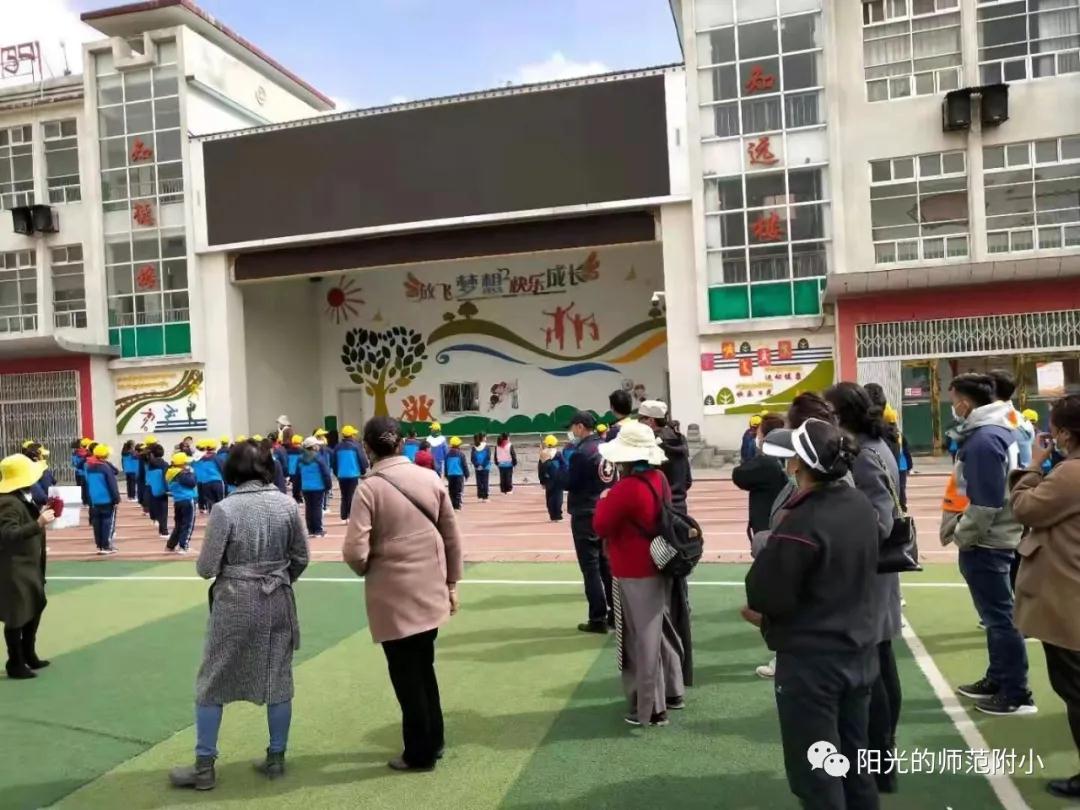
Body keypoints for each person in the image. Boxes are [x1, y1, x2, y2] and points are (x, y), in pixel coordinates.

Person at [744, 418, 881, 810]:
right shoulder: (859, 504)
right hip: (860, 651)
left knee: (818, 773)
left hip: (813, 663)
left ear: (797, 465)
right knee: (855, 763)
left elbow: (764, 593)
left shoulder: (801, 522)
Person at [169, 441, 310, 791]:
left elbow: (206, 568)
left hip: (235, 599)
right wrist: (279, 577)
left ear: (231, 469)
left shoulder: (225, 509)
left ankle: (204, 767)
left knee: (213, 679)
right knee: (278, 678)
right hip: (277, 597)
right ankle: (276, 758)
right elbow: (301, 557)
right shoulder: (287, 505)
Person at [342, 416, 463, 772]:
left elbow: (354, 550)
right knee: (424, 666)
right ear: (401, 443)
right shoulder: (429, 477)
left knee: (405, 674)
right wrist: (451, 583)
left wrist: (368, 566)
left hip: (392, 592)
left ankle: (419, 752)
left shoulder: (369, 488)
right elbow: (452, 536)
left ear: (367, 447)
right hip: (430, 585)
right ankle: (434, 740)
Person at [824, 381, 904, 794]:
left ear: (841, 415)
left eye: (827, 413)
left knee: (876, 676)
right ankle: (882, 761)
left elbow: (880, 522)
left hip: (871, 574)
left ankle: (880, 763)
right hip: (874, 575)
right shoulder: (872, 446)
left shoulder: (865, 455)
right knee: (881, 668)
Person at [941, 373, 1034, 716]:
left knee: (1000, 618)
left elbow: (985, 503)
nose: (953, 408)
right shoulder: (1007, 426)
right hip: (1001, 534)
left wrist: (963, 536)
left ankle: (1016, 693)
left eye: (954, 402)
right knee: (997, 616)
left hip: (989, 540)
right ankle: (999, 678)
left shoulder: (984, 440)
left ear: (966, 403)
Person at [1011, 395, 1080, 798]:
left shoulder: (1070, 474)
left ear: (1065, 434)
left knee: (1075, 690)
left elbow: (1025, 508)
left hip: (1069, 599)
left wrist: (1034, 464)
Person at [594, 420, 683, 727]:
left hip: (633, 569)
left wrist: (604, 501)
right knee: (661, 630)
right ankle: (672, 691)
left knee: (641, 639)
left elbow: (601, 526)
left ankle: (650, 707)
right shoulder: (659, 478)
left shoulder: (625, 489)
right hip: (659, 563)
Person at [752, 392, 837, 681]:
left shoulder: (829, 492)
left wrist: (765, 542)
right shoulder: (802, 482)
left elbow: (801, 538)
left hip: (818, 614)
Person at [637, 399, 696, 686]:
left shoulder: (654, 448)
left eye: (641, 419)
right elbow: (688, 481)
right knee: (677, 576)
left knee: (660, 577)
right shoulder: (680, 441)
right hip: (680, 513)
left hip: (662, 515)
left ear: (650, 422)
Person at [554, 411, 613, 633]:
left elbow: (568, 482)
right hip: (604, 509)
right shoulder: (606, 448)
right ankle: (616, 613)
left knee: (591, 568)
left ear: (580, 427)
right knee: (607, 566)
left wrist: (555, 463)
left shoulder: (582, 453)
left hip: (586, 513)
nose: (572, 432)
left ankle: (597, 618)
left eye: (573, 427)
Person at [0, 453, 55, 679]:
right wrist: (38, 523)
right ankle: (15, 661)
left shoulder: (20, 497)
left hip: (27, 564)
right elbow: (7, 534)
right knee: (17, 614)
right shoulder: (8, 502)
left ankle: (28, 653)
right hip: (14, 566)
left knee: (36, 605)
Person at [733, 413, 788, 542]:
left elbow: (738, 475)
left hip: (767, 527)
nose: (757, 437)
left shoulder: (767, 463)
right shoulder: (789, 458)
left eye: (759, 434)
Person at [85, 444, 120, 555]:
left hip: (94, 500)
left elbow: (87, 484)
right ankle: (106, 545)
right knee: (107, 522)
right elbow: (112, 484)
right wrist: (116, 498)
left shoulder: (89, 467)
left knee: (96, 523)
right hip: (106, 499)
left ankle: (99, 545)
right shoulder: (105, 468)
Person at [295, 437, 332, 538]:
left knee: (309, 508)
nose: (318, 446)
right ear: (313, 447)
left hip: (305, 487)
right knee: (317, 507)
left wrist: (297, 490)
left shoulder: (300, 458)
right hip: (318, 486)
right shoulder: (318, 458)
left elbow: (297, 475)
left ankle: (310, 529)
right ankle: (318, 530)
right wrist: (328, 485)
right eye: (317, 444)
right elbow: (325, 473)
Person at [333, 425, 368, 522]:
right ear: (351, 435)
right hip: (353, 474)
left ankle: (344, 516)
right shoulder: (356, 446)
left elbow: (334, 462)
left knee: (344, 495)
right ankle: (351, 515)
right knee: (352, 495)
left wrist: (336, 473)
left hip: (341, 475)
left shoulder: (337, 447)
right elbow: (362, 459)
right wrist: (363, 471)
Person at [882, 406, 913, 511]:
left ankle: (900, 504)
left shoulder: (885, 435)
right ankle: (902, 504)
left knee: (897, 486)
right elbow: (906, 450)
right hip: (901, 463)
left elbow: (906, 450)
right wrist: (910, 465)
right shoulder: (898, 433)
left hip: (897, 463)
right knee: (901, 486)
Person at [166, 452, 198, 554]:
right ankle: (183, 546)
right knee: (188, 524)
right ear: (181, 464)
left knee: (179, 524)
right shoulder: (181, 474)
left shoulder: (170, 472)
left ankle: (171, 545)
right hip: (187, 500)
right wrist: (191, 473)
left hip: (178, 500)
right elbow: (192, 483)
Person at [538, 435, 565, 521]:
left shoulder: (543, 454)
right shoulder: (558, 453)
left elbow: (540, 468)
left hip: (548, 478)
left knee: (549, 496)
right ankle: (558, 515)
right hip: (558, 477)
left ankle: (552, 515)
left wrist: (542, 481)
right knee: (558, 497)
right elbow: (564, 465)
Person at [195, 440, 226, 512]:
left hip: (205, 483)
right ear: (214, 448)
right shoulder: (216, 457)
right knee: (220, 501)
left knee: (210, 501)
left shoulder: (200, 459)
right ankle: (221, 515)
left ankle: (211, 515)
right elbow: (222, 468)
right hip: (217, 481)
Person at [146, 442, 170, 538]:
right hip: (162, 489)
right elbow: (166, 478)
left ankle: (155, 519)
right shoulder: (164, 464)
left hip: (151, 488)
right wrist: (168, 489)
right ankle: (164, 531)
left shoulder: (150, 463)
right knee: (163, 511)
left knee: (155, 507)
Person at [444, 437, 470, 511]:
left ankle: (452, 506)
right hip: (459, 475)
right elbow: (464, 465)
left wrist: (446, 475)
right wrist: (467, 474)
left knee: (451, 491)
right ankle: (457, 506)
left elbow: (446, 466)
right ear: (459, 445)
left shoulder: (447, 455)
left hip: (450, 475)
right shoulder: (461, 454)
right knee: (458, 491)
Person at [471, 434, 492, 502]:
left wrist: (477, 465)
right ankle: (485, 497)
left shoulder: (474, 447)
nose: (486, 438)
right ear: (483, 438)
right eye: (485, 437)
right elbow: (488, 458)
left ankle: (480, 496)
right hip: (485, 467)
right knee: (485, 481)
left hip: (477, 468)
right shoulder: (487, 447)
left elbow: (473, 458)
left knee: (479, 482)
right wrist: (483, 465)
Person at [72, 437, 91, 506]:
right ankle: (88, 501)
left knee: (80, 488)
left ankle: (83, 501)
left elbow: (74, 463)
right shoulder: (89, 453)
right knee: (88, 487)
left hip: (78, 473)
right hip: (87, 473)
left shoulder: (75, 453)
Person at [284, 435, 304, 503]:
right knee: (299, 485)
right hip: (299, 470)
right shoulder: (302, 451)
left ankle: (296, 497)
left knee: (294, 485)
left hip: (291, 470)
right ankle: (298, 498)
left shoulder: (288, 451)